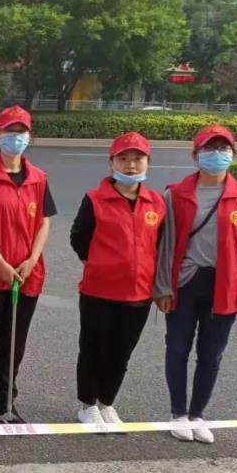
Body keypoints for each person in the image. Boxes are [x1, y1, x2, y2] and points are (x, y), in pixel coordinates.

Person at [154, 124, 237, 444]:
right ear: (195, 155)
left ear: (233, 154)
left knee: (212, 353)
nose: (216, 154)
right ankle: (178, 413)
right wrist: (163, 286)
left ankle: (198, 414)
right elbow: (164, 245)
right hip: (186, 282)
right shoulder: (175, 194)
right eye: (209, 148)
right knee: (177, 347)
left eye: (223, 148)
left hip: (226, 285)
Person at [0, 105, 55, 425]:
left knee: (13, 343)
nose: (15, 138)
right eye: (8, 132)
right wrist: (1, 264)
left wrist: (32, 259)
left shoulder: (38, 179)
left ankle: (5, 401)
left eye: (20, 132)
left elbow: (44, 222)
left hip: (26, 275)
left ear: (29, 137)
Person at [69, 132, 165, 426]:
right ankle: (87, 404)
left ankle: (106, 402)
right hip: (99, 292)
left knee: (121, 353)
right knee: (93, 350)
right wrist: (100, 264)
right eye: (123, 159)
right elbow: (79, 237)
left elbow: (161, 244)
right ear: (111, 163)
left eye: (137, 158)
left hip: (138, 295)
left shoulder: (156, 202)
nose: (131, 165)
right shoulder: (95, 199)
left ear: (148, 162)